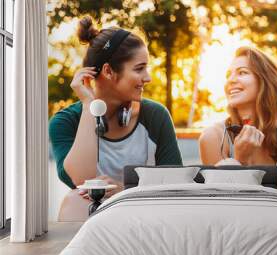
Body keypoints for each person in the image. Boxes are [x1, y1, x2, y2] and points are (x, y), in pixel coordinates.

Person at [49, 16, 182, 220]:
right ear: (109, 71)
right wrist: (88, 107)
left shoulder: (156, 116)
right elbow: (82, 181)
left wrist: (125, 191)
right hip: (98, 215)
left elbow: (177, 185)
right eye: (139, 69)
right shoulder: (65, 122)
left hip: (147, 209)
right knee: (74, 202)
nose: (148, 77)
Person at [199, 46, 277, 196]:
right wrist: (239, 161)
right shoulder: (213, 137)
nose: (231, 80)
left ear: (266, 81)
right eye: (228, 74)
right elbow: (220, 204)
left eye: (242, 72)